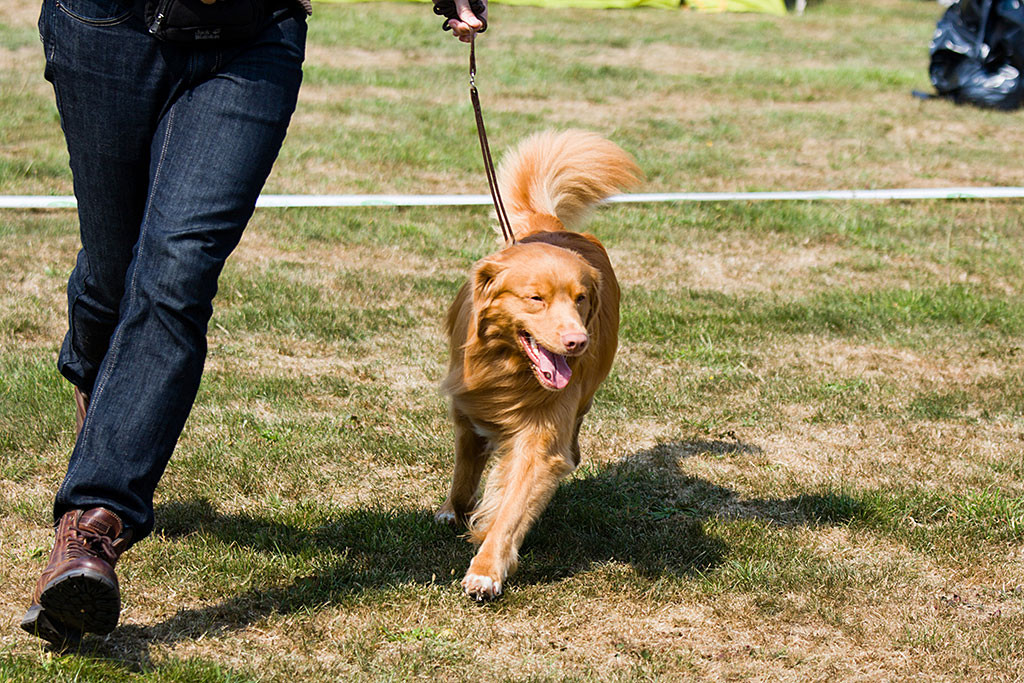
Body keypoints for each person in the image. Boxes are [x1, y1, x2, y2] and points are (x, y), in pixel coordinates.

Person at [22, 0, 486, 646]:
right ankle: (102, 392)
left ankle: (90, 527)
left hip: (253, 35)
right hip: (108, 28)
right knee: (112, 271)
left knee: (175, 274)